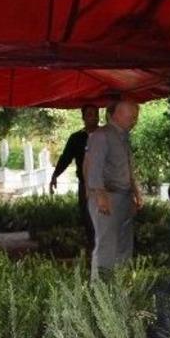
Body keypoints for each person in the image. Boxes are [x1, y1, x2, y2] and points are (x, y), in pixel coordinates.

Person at [83, 99, 143, 281]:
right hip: (107, 196)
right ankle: (100, 290)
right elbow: (92, 167)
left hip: (123, 196)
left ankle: (119, 285)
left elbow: (127, 168)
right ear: (115, 114)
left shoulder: (123, 137)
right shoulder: (101, 135)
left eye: (135, 116)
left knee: (124, 245)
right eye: (130, 115)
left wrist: (135, 192)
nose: (134, 119)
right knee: (106, 245)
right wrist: (100, 195)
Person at [50, 104, 100, 248]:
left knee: (105, 219)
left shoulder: (105, 135)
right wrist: (55, 175)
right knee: (88, 219)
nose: (94, 117)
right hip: (85, 186)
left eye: (96, 113)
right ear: (83, 117)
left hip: (105, 186)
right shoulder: (76, 138)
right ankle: (94, 250)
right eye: (90, 114)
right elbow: (66, 158)